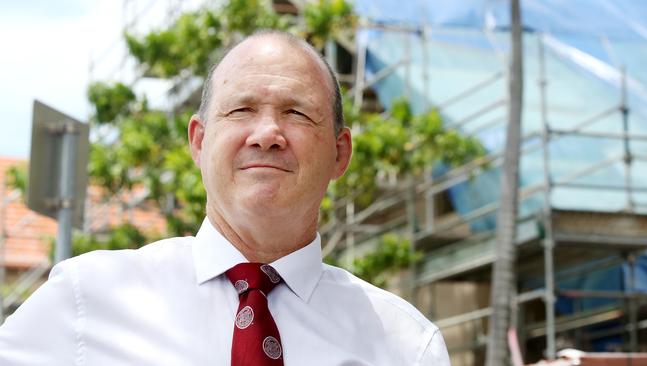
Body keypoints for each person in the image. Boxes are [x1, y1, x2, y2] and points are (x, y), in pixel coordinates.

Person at [0, 30, 449, 365]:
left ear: (339, 153)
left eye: (296, 112)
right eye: (241, 110)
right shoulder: (84, 300)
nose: (267, 134)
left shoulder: (407, 346)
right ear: (199, 142)